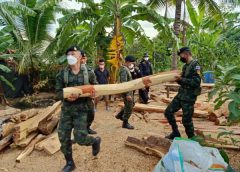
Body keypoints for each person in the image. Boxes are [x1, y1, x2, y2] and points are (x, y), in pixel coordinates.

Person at [56, 46, 101, 172]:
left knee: (80, 138)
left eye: (74, 53)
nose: (71, 56)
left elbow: (97, 88)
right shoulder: (62, 74)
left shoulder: (89, 72)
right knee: (63, 136)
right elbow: (58, 92)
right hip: (67, 110)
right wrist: (65, 98)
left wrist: (95, 93)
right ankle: (70, 163)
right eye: (68, 54)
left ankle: (95, 141)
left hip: (82, 109)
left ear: (81, 56)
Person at [164, 47, 201, 140]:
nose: (181, 58)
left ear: (186, 54)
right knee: (168, 112)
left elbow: (196, 82)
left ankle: (192, 139)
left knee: (186, 120)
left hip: (189, 97)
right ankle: (175, 132)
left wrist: (182, 79)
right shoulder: (185, 66)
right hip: (181, 95)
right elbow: (183, 81)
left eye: (181, 55)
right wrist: (177, 80)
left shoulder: (196, 65)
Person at [115, 55, 135, 130]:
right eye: (131, 63)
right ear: (127, 62)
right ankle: (125, 123)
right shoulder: (124, 70)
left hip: (129, 90)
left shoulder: (126, 69)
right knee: (129, 106)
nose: (132, 64)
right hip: (127, 91)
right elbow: (124, 83)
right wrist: (127, 94)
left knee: (131, 104)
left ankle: (120, 115)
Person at [80, 53, 97, 134]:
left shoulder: (90, 70)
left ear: (86, 59)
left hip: (87, 97)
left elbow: (95, 83)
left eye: (84, 58)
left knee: (91, 113)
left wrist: (94, 92)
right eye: (81, 58)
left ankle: (87, 128)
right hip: (76, 97)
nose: (82, 60)